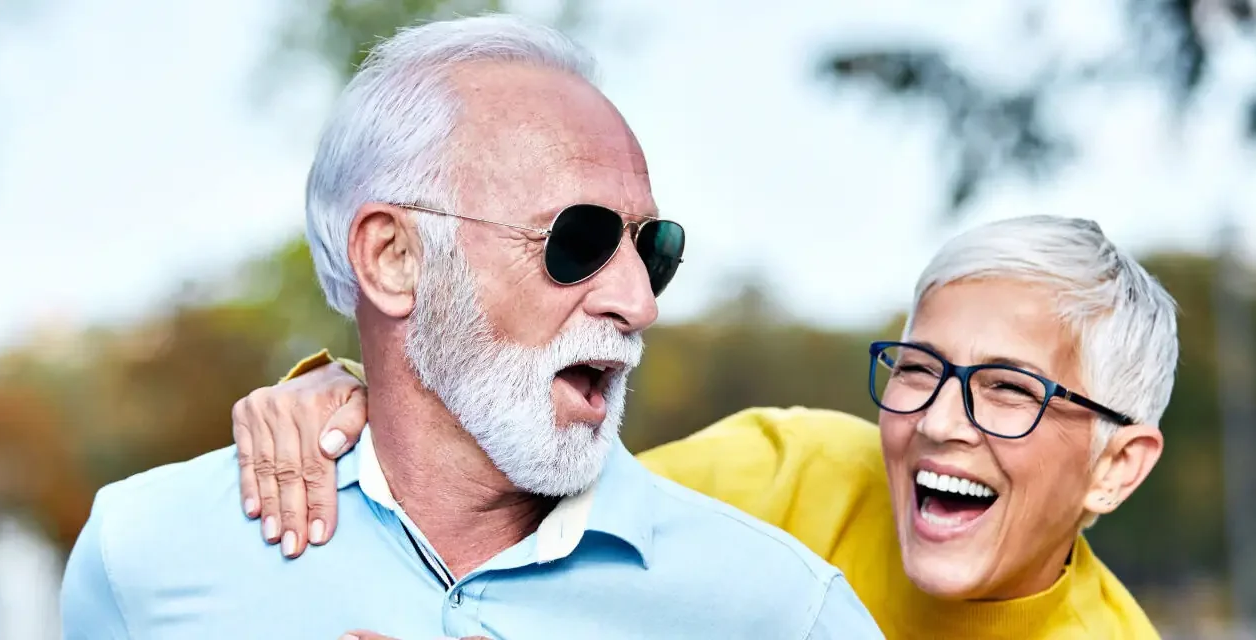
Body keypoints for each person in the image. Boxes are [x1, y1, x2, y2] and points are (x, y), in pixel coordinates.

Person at [60, 13, 881, 640]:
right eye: (578, 240)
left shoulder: (782, 612)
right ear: (391, 258)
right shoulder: (143, 555)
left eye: (651, 249)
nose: (638, 302)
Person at [232, 214, 1174, 640]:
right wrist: (353, 392)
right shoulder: (788, 469)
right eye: (919, 371)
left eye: (1007, 390)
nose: (935, 423)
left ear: (1115, 468)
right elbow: (519, 496)